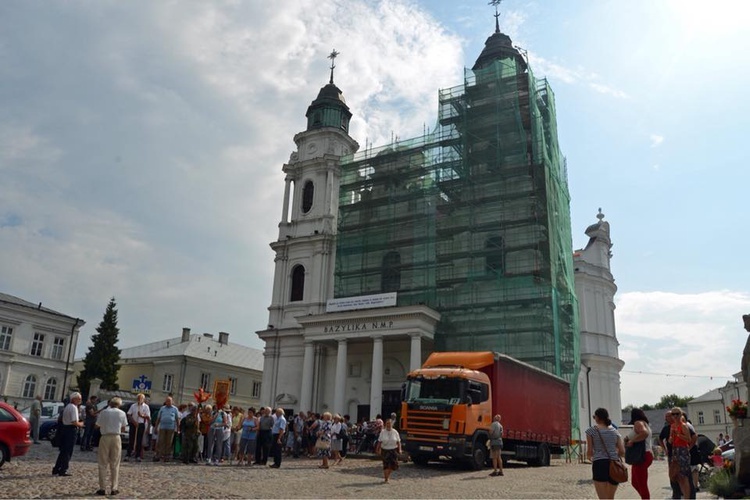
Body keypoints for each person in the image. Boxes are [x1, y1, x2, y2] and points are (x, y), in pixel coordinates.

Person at [585, 407, 625, 499]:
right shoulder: (615, 431)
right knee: (610, 498)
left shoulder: (591, 431)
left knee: (602, 498)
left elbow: (590, 451)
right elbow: (622, 451)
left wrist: (589, 457)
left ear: (598, 417)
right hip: (615, 464)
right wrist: (614, 455)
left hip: (600, 463)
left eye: (594, 417)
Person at [94, 397, 128, 496]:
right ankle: (114, 488)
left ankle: (102, 488)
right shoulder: (122, 413)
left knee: (102, 462)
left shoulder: (104, 412)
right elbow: (123, 428)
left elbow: (97, 425)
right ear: (119, 404)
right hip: (116, 437)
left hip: (105, 437)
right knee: (115, 463)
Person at [52, 392, 84, 477]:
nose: (80, 400)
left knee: (63, 451)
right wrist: (81, 424)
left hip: (65, 429)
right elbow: (74, 422)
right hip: (70, 430)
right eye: (79, 398)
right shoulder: (73, 408)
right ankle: (63, 469)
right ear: (74, 399)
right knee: (68, 451)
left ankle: (56, 468)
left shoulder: (67, 407)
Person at [626, 407, 653, 499]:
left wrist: (632, 441)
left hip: (641, 455)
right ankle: (645, 497)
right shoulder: (646, 424)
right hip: (645, 454)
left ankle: (645, 498)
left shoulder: (638, 423)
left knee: (641, 483)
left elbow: (644, 433)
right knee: (635, 482)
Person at [668, 407, 693, 499]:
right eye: (673, 414)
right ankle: (684, 496)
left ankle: (687, 497)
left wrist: (678, 435)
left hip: (683, 451)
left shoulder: (683, 425)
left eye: (677, 414)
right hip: (675, 450)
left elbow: (689, 439)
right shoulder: (672, 426)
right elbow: (670, 440)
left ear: (681, 414)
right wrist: (670, 439)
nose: (675, 416)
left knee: (684, 476)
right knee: (678, 476)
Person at [125, 393, 150, 463]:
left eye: (141, 398)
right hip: (133, 424)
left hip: (141, 424)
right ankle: (128, 454)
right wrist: (133, 422)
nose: (139, 400)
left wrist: (141, 415)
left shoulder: (146, 407)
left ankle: (137, 455)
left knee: (139, 440)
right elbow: (129, 414)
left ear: (143, 399)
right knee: (131, 439)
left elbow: (148, 417)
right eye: (138, 398)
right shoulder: (133, 406)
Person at [154, 396, 180, 462]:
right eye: (167, 401)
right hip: (162, 427)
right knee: (161, 441)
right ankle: (159, 455)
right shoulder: (162, 408)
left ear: (172, 402)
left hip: (171, 428)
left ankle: (167, 456)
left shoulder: (175, 409)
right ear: (165, 402)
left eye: (169, 401)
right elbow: (158, 418)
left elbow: (177, 419)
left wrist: (178, 429)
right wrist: (156, 427)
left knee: (169, 442)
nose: (168, 402)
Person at [376, 417, 402, 483]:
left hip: (393, 450)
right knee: (386, 465)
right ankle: (386, 479)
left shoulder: (395, 432)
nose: (388, 425)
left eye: (390, 423)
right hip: (385, 450)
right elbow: (379, 441)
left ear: (392, 424)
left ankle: (387, 476)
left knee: (394, 465)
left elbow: (399, 442)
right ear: (385, 424)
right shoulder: (382, 432)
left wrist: (400, 449)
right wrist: (377, 449)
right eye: (387, 423)